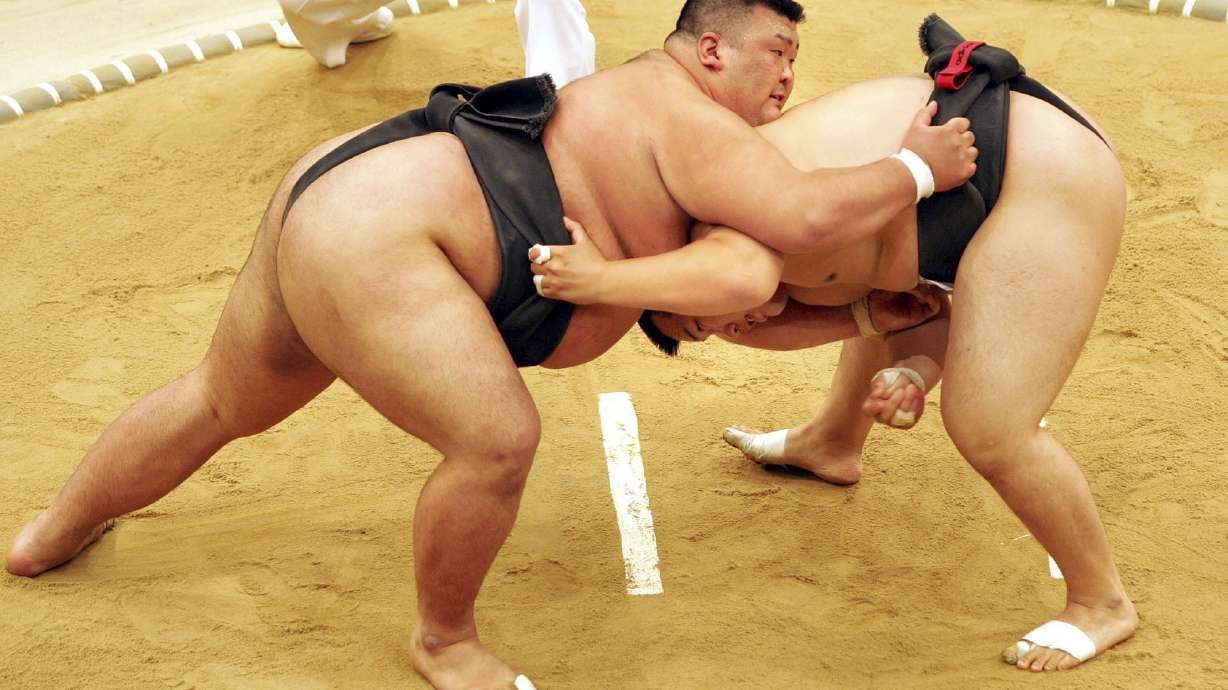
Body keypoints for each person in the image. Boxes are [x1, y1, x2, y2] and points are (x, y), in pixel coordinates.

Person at [4, 2, 977, 688]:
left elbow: (725, 301)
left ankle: (52, 531)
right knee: (496, 442)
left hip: (349, 184)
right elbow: (803, 217)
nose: (789, 77)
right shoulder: (690, 118)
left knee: (223, 398)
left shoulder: (643, 110)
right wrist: (915, 167)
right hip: (392, 241)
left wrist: (855, 321)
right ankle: (444, 642)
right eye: (776, 51)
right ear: (711, 50)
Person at [528, 15, 1136, 674]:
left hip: (1040, 172)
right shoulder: (755, 278)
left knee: (990, 425)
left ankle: (1100, 601)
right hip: (990, 160)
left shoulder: (722, 232)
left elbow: (742, 274)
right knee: (870, 312)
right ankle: (834, 442)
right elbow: (922, 311)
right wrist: (915, 371)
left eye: (700, 322)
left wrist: (599, 280)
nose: (729, 331)